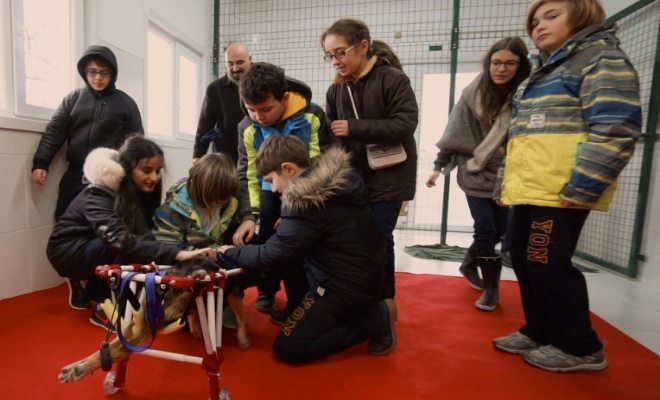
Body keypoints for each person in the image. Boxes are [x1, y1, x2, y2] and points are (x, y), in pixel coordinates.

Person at [492, 0, 641, 372]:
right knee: (525, 262)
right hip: (531, 187)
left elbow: (615, 128)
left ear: (582, 14)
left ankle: (581, 346)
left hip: (562, 192)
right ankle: (540, 330)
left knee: (547, 264)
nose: (538, 26)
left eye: (551, 16)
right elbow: (521, 138)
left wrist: (584, 186)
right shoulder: (543, 70)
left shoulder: (601, 58)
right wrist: (505, 184)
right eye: (534, 20)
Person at [219, 135, 396, 364]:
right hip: (362, 277)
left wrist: (229, 251)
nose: (272, 189)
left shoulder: (304, 203)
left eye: (271, 180)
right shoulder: (331, 185)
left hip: (343, 289)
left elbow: (273, 254)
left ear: (288, 169)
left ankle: (376, 319)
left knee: (289, 348)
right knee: (286, 254)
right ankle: (320, 310)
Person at [47, 136, 215, 330]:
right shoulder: (98, 193)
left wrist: (186, 254)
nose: (155, 177)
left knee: (135, 243)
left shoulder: (136, 193)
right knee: (123, 244)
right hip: (66, 252)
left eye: (158, 171)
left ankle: (96, 289)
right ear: (127, 169)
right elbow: (120, 241)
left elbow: (146, 238)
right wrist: (178, 254)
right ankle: (103, 307)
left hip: (95, 242)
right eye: (147, 170)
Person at [31, 45, 143, 310]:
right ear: (84, 72)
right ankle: (77, 284)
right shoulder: (73, 99)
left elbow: (136, 142)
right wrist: (41, 162)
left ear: (113, 73)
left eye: (104, 72)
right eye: (92, 72)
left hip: (109, 179)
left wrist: (132, 176)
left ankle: (100, 287)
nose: (98, 78)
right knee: (69, 227)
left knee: (105, 233)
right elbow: (55, 131)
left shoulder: (126, 103)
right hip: (75, 176)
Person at [426, 37, 531, 311]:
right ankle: (491, 288)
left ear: (520, 66)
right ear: (488, 63)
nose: (501, 69)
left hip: (509, 173)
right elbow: (453, 131)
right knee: (485, 228)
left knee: (501, 230)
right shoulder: (472, 93)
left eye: (510, 63)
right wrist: (438, 167)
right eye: (496, 62)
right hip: (474, 171)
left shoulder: (527, 93)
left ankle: (469, 262)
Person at [322, 18, 419, 300]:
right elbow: (332, 138)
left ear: (363, 46)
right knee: (360, 240)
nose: (335, 61)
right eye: (329, 55)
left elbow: (406, 124)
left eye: (341, 52)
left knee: (377, 238)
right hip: (354, 178)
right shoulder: (336, 89)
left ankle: (383, 304)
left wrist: (355, 127)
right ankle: (365, 299)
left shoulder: (392, 78)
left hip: (390, 174)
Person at [234, 62, 331, 319]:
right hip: (269, 191)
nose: (258, 116)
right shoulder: (247, 128)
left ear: (284, 98)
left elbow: (324, 160)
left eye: (265, 109)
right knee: (268, 240)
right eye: (250, 109)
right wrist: (251, 213)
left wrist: (300, 201)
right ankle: (267, 289)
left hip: (307, 190)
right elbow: (247, 173)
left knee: (298, 244)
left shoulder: (312, 116)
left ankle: (300, 298)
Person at [152, 152, 253, 348]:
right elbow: (166, 247)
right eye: (215, 199)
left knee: (239, 263)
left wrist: (247, 220)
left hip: (214, 254)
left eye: (224, 199)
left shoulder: (228, 201)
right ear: (200, 190)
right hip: (183, 260)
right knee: (203, 270)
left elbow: (239, 195)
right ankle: (194, 313)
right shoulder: (174, 207)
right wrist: (199, 252)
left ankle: (240, 319)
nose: (220, 203)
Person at [192, 43, 252, 163]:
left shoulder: (263, 83)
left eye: (240, 62)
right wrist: (198, 155)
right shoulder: (214, 89)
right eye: (230, 63)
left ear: (250, 59)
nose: (235, 68)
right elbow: (205, 125)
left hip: (257, 155)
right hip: (227, 158)